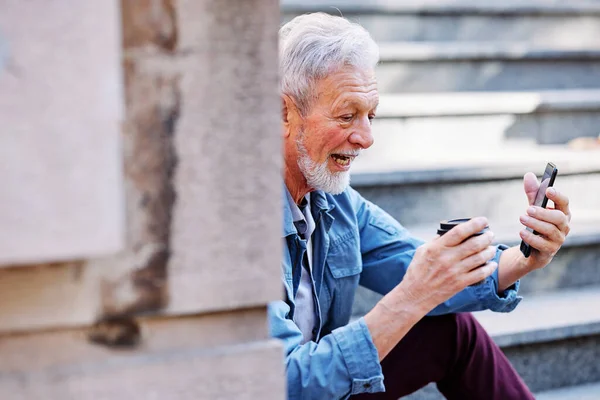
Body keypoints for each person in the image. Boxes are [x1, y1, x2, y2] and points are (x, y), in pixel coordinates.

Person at [269, 13, 572, 400]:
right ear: (283, 113)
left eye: (370, 115)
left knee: (452, 330)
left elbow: (421, 266)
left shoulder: (334, 201)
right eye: (347, 116)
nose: (366, 138)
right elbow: (279, 383)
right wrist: (411, 297)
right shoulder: (235, 221)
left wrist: (525, 257)